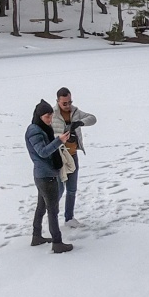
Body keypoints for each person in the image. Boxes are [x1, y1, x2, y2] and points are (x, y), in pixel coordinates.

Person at [26, 100, 73, 253]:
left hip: (44, 175)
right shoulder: (35, 131)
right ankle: (57, 243)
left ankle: (37, 236)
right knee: (53, 210)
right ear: (39, 116)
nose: (50, 120)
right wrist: (59, 141)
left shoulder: (41, 128)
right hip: (45, 176)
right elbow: (43, 152)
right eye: (47, 116)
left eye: (51, 116)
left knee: (41, 207)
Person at [49, 86, 96, 224]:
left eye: (70, 102)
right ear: (57, 101)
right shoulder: (52, 114)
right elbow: (46, 133)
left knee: (72, 189)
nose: (68, 105)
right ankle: (51, 215)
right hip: (59, 157)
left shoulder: (75, 111)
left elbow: (93, 118)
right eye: (64, 103)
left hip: (73, 155)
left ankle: (69, 218)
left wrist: (80, 122)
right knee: (59, 189)